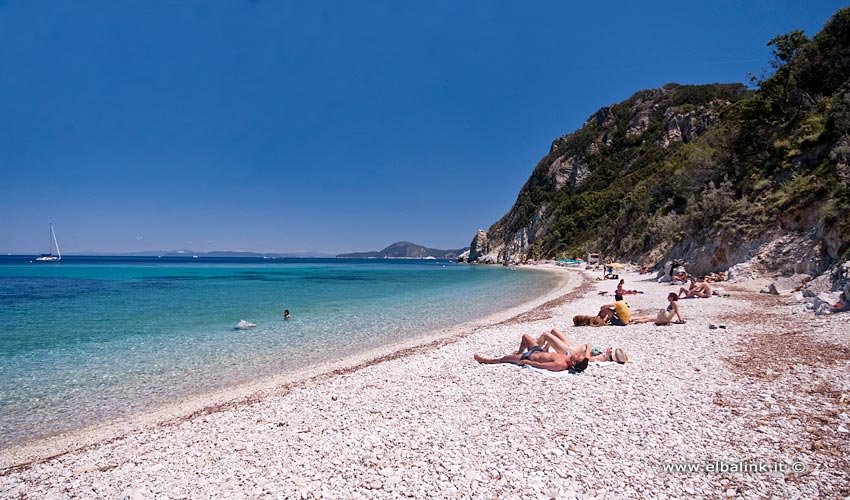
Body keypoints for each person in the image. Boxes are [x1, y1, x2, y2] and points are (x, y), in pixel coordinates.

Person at [473, 334, 589, 373]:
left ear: (573, 362)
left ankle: (486, 360)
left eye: (578, 356)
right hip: (537, 350)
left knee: (505, 358)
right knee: (525, 337)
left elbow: (541, 365)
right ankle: (517, 353)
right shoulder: (567, 357)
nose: (578, 354)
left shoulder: (560, 364)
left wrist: (527, 361)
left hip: (529, 356)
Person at [536, 328, 628, 363]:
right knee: (553, 331)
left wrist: (589, 347)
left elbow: (588, 359)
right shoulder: (603, 354)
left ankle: (534, 348)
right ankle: (546, 348)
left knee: (545, 335)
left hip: (568, 351)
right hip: (570, 346)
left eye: (611, 349)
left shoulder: (603, 358)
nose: (610, 348)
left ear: (610, 353)